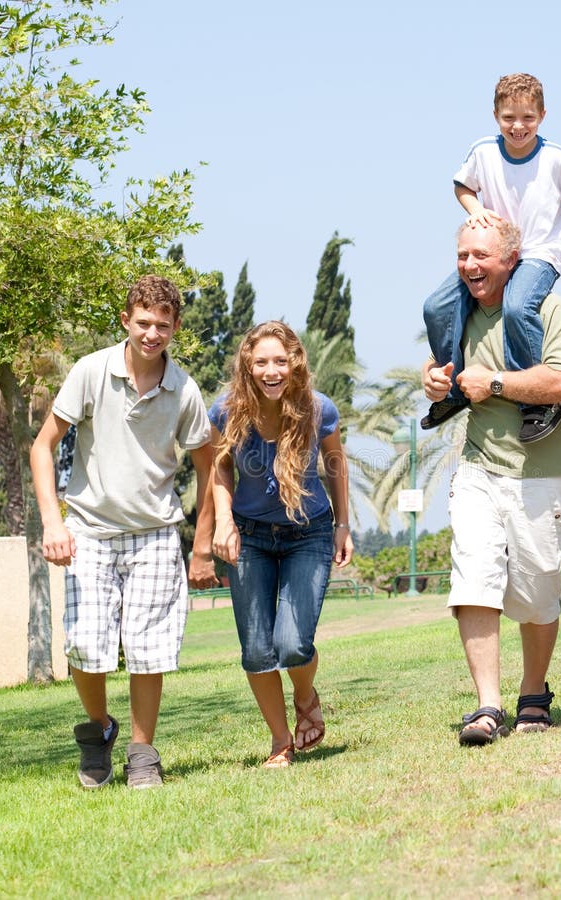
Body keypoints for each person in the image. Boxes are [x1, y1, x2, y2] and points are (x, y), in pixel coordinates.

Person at [30, 275, 215, 789]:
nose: (151, 334)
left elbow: (209, 463)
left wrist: (201, 545)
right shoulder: (92, 372)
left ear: (176, 326)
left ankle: (141, 753)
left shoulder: (184, 390)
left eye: (162, 325)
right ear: (125, 321)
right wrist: (53, 521)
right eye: (142, 323)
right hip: (88, 529)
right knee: (86, 645)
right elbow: (42, 446)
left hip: (155, 533)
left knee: (147, 647)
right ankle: (98, 731)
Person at [423, 218, 561, 745]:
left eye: (482, 256)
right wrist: (435, 376)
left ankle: (533, 693)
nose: (470, 265)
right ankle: (486, 706)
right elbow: (445, 366)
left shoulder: (547, 311)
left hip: (540, 472)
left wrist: (494, 381)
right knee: (473, 579)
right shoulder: (461, 314)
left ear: (511, 261)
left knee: (538, 593)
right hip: (476, 468)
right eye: (463, 255)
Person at [422, 72, 561, 443]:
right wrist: (474, 209)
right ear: (495, 115)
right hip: (497, 253)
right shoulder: (483, 151)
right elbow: (462, 186)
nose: (518, 126)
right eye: (509, 118)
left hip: (538, 253)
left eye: (528, 118)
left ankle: (536, 401)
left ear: (543, 116)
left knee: (518, 307)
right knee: (436, 306)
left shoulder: (555, 158)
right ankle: (453, 385)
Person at [209, 321, 353, 769]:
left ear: (294, 363)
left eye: (280, 361)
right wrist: (223, 523)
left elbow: (335, 463)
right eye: (261, 362)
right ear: (247, 367)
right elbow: (220, 469)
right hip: (249, 535)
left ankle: (305, 696)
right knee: (256, 649)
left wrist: (343, 524)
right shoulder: (227, 412)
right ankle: (280, 741)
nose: (271, 371)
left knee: (292, 644)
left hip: (307, 531)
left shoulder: (318, 409)